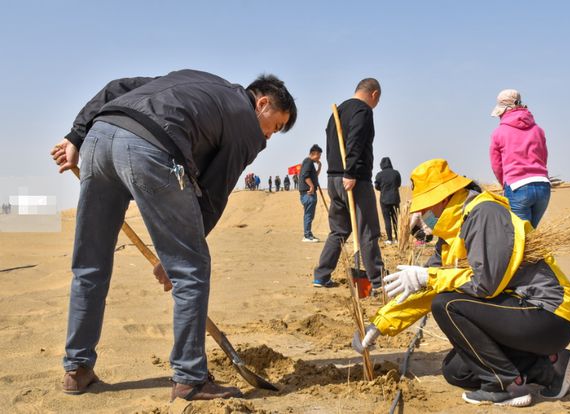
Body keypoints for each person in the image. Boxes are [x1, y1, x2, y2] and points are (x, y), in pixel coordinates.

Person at [49, 70, 297, 401]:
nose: (268, 137)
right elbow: (213, 193)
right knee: (192, 271)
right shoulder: (246, 126)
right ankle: (190, 378)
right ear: (261, 103)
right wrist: (180, 253)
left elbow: (115, 88)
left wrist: (76, 136)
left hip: (99, 138)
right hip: (148, 147)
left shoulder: (193, 80)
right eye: (274, 125)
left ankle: (77, 369)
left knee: (89, 264)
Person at [353, 159, 570, 407]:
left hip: (547, 315)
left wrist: (427, 276)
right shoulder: (451, 235)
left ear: (443, 198)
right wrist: (380, 324)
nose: (424, 215)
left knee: (447, 305)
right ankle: (550, 367)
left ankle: (507, 387)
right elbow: (428, 287)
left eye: (426, 207)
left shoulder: (485, 213)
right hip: (515, 315)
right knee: (457, 370)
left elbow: (486, 284)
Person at [313, 78, 385, 290]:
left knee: (339, 230)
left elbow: (332, 143)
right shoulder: (362, 111)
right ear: (374, 94)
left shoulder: (339, 110)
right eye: (378, 99)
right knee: (368, 230)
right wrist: (351, 172)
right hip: (354, 179)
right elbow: (355, 140)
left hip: (333, 178)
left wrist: (341, 172)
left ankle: (321, 275)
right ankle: (378, 281)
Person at [490, 89, 551, 228]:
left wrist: (504, 184)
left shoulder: (499, 133)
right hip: (543, 186)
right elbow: (543, 156)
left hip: (518, 187)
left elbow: (496, 165)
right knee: (530, 235)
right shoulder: (537, 130)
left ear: (503, 110)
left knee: (520, 238)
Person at [374, 157, 401, 245]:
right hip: (395, 199)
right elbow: (399, 184)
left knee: (387, 219)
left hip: (384, 200)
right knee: (396, 219)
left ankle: (389, 239)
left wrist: (382, 189)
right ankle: (397, 238)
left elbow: (376, 186)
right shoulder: (396, 173)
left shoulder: (379, 175)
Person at [299, 144, 323, 242]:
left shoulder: (310, 163)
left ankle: (308, 233)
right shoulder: (308, 161)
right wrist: (312, 186)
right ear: (314, 154)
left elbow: (314, 176)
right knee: (309, 214)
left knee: (309, 214)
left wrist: (319, 166)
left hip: (308, 193)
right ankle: (307, 235)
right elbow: (305, 175)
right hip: (308, 193)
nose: (319, 157)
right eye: (319, 155)